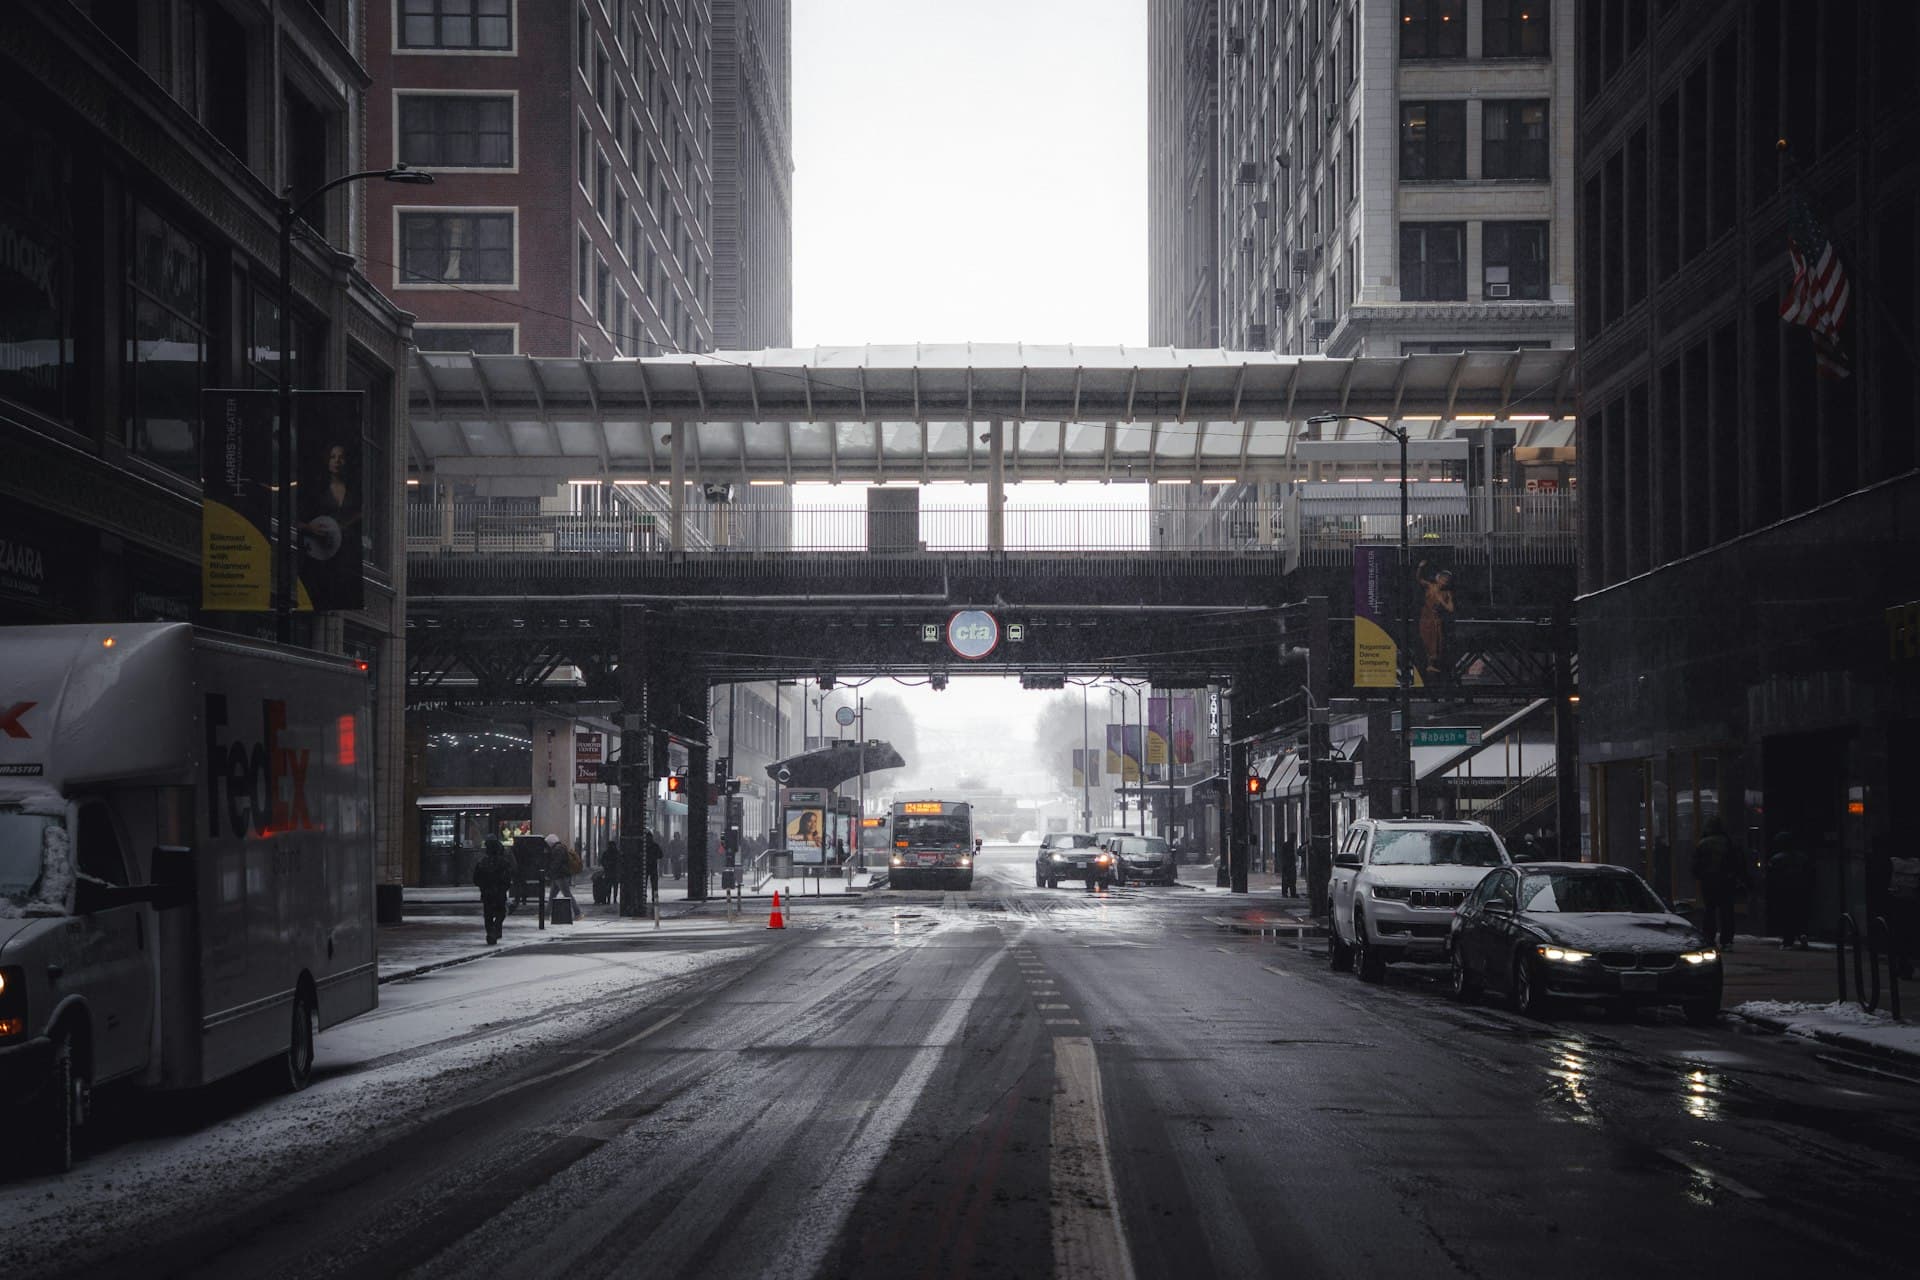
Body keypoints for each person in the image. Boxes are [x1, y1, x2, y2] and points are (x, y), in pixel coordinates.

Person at [1690, 817, 1741, 949]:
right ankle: (1726, 940)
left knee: (1709, 910)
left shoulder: (1703, 843)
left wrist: (1701, 876)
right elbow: (1735, 862)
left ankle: (1709, 937)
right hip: (1725, 881)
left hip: (1708, 881)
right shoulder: (1727, 842)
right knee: (1726, 911)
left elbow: (1696, 865)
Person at [1765, 832, 1814, 949]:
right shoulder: (1802, 858)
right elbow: (1809, 873)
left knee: (1786, 915)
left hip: (1784, 890)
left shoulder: (1776, 859)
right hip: (1800, 889)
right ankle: (1802, 933)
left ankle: (1788, 941)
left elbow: (1772, 877)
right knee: (1799, 913)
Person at [473, 836, 516, 945]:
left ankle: (491, 932)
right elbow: (508, 876)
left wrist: (483, 887)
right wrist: (503, 887)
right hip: (499, 892)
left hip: (487, 892)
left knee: (488, 914)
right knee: (500, 912)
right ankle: (495, 930)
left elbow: (476, 878)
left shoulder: (482, 862)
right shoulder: (503, 862)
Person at [545, 833, 578, 905]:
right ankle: (546, 914)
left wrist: (549, 872)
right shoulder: (559, 848)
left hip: (561, 876)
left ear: (551, 842)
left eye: (548, 843)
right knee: (552, 897)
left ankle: (577, 913)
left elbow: (556, 863)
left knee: (567, 895)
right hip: (558, 876)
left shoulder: (558, 849)